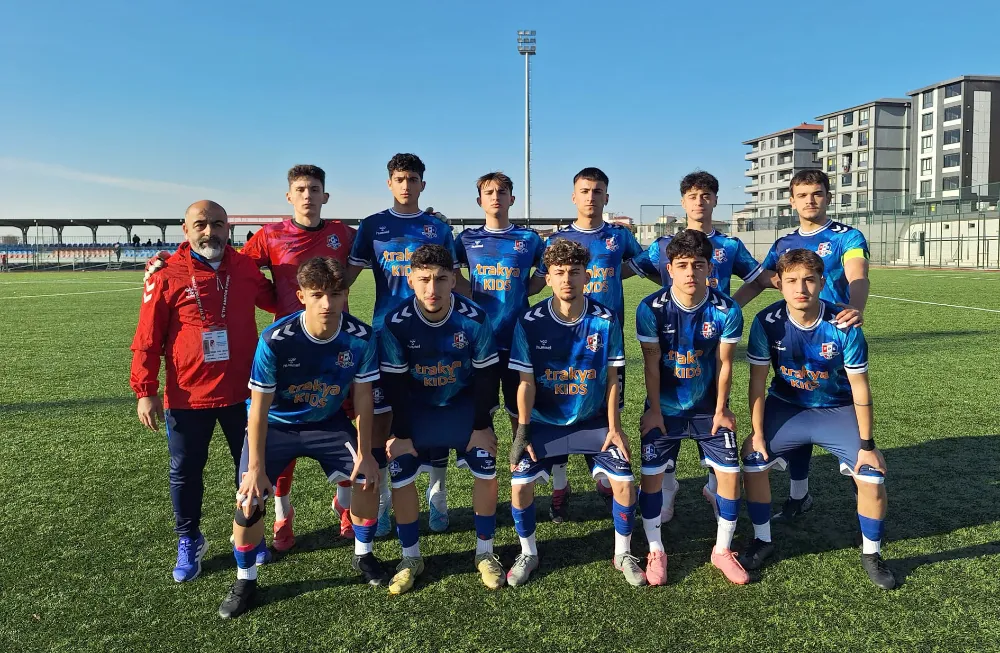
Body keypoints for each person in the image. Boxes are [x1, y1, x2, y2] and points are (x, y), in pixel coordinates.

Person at [146, 165, 358, 549]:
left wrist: (431, 224)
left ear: (325, 196)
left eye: (314, 189)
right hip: (286, 349)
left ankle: (344, 505)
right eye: (300, 189)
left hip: (335, 343)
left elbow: (391, 249)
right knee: (282, 433)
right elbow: (224, 260)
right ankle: (282, 514)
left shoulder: (344, 233)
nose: (307, 195)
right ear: (289, 196)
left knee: (341, 420)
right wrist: (173, 257)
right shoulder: (270, 235)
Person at [218, 257, 386, 619]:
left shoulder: (360, 337)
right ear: (301, 296)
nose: (327, 303)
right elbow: (258, 409)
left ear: (345, 295)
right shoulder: (276, 339)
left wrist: (366, 452)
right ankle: (245, 580)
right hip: (276, 425)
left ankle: (364, 555)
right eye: (317, 295)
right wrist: (255, 468)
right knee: (248, 500)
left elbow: (363, 398)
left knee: (368, 478)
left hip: (326, 423)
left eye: (335, 294)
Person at [130, 200, 276, 582]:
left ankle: (251, 532)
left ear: (228, 228)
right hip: (187, 394)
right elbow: (147, 335)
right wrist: (145, 389)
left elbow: (278, 299)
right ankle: (189, 539)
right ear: (186, 229)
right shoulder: (165, 273)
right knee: (185, 472)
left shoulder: (245, 267)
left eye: (218, 224)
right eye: (201, 224)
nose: (210, 231)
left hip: (244, 392)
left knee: (251, 468)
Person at [739, 248, 894, 590]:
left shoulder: (844, 324)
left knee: (871, 475)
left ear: (822, 282)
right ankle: (762, 539)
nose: (801, 288)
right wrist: (757, 433)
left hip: (836, 409)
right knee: (753, 459)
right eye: (792, 280)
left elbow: (861, 389)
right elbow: (757, 384)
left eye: (809, 280)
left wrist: (868, 445)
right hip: (787, 407)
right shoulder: (766, 322)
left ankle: (872, 553)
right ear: (779, 284)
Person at [733, 169, 869, 522]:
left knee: (846, 416)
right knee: (796, 405)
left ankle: (864, 491)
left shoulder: (847, 236)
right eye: (803, 194)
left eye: (817, 193)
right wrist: (726, 311)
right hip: (793, 335)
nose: (811, 200)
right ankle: (799, 494)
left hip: (834, 337)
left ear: (828, 197)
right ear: (792, 201)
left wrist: (855, 308)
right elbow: (760, 281)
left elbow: (857, 273)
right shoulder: (783, 244)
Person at [506, 239, 642, 587]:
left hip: (593, 421)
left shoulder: (605, 319)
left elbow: (613, 379)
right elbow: (526, 383)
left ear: (587, 277)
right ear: (548, 278)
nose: (567, 279)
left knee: (625, 482)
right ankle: (528, 553)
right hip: (545, 423)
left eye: (574, 272)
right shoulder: (529, 321)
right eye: (559, 272)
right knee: (519, 485)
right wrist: (522, 432)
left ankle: (623, 552)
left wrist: (615, 427)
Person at [629, 171, 762, 523]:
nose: (699, 201)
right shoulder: (662, 246)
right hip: (673, 334)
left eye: (706, 195)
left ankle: (714, 486)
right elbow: (631, 270)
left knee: (714, 410)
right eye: (692, 195)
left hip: (712, 338)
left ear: (715, 200)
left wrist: (730, 306)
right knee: (667, 411)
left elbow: (759, 279)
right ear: (683, 201)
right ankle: (667, 487)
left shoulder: (730, 245)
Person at [346, 153, 459, 537]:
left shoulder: (437, 227)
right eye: (400, 179)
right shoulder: (372, 226)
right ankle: (381, 499)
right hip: (385, 335)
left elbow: (453, 281)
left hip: (433, 335)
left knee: (435, 408)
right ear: (389, 183)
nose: (406, 185)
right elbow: (344, 278)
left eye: (413, 179)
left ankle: (438, 494)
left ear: (422, 184)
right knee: (380, 418)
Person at [379, 245, 502, 593]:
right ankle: (410, 557)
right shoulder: (396, 323)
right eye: (424, 279)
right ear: (410, 280)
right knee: (400, 468)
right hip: (417, 409)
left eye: (440, 279)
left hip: (462, 406)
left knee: (486, 464)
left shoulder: (474, 318)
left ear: (453, 280)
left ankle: (485, 553)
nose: (432, 288)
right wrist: (401, 433)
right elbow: (395, 384)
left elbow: (486, 377)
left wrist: (481, 426)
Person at [635, 230, 747, 586]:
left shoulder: (727, 309)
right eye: (681, 265)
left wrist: (722, 409)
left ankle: (722, 550)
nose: (690, 272)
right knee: (651, 478)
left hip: (707, 409)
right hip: (665, 408)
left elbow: (725, 364)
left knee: (730, 476)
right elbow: (651, 364)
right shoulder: (650, 308)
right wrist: (654, 410)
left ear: (709, 268)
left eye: (698, 265)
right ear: (669, 269)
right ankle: (656, 549)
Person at [529, 167, 643, 518]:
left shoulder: (619, 236)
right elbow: (539, 282)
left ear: (606, 196)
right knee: (562, 406)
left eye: (597, 191)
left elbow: (637, 267)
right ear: (573, 196)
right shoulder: (557, 239)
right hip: (563, 341)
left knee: (605, 408)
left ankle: (605, 476)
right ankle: (560, 485)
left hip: (606, 341)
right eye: (584, 190)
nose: (591, 196)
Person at [454, 172, 545, 451]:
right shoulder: (466, 239)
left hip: (517, 337)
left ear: (512, 199)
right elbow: (452, 274)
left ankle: (523, 462)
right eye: (489, 192)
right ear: (479, 200)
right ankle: (486, 464)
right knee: (482, 409)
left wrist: (520, 291)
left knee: (520, 409)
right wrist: (475, 295)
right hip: (480, 339)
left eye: (502, 192)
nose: (496, 197)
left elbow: (542, 275)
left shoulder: (529, 238)